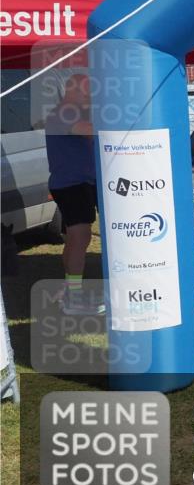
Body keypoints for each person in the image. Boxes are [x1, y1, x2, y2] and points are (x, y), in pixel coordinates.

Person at [45, 74, 103, 315]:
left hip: (77, 184)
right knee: (80, 238)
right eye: (86, 91)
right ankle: (74, 299)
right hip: (72, 185)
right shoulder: (64, 112)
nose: (90, 96)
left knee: (75, 239)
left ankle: (70, 291)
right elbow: (90, 132)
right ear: (73, 90)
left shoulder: (70, 112)